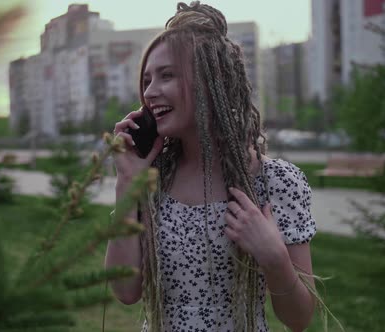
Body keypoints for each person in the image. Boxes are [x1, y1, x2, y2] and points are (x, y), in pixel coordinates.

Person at [105, 2, 317, 331]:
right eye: (146, 79)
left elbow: (299, 318)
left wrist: (274, 259)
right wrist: (126, 184)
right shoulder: (154, 178)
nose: (149, 92)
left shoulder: (275, 182)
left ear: (211, 81)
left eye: (166, 75)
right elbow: (125, 290)